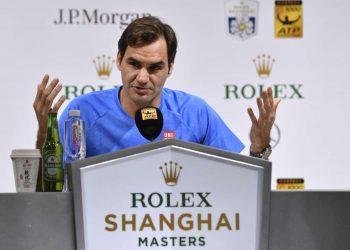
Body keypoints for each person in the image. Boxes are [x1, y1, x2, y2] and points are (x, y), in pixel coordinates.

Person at [33, 16, 280, 188]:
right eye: (134, 64)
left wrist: (258, 150)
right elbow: (45, 196)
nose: (142, 77)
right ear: (118, 60)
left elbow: (238, 186)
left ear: (170, 67)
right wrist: (44, 135)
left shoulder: (194, 112)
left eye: (154, 67)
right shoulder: (83, 113)